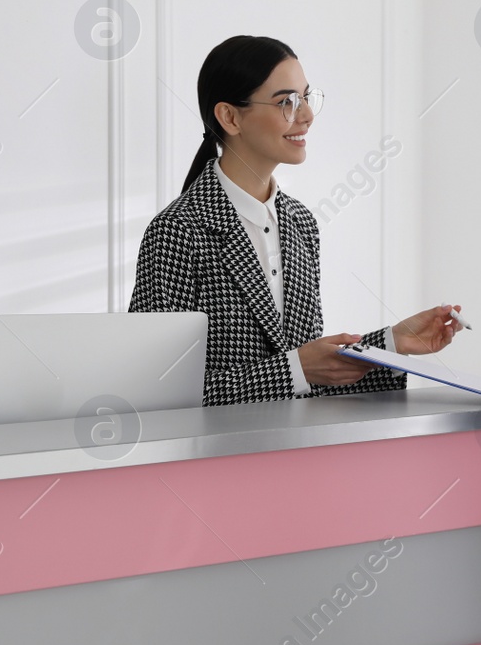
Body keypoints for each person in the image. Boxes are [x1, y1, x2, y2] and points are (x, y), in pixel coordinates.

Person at [129, 35, 460, 407]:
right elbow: (158, 393)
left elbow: (312, 380)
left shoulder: (300, 223)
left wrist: (392, 344)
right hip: (214, 460)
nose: (306, 115)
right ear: (230, 117)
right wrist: (296, 370)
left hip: (295, 454)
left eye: (305, 97)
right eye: (286, 101)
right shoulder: (176, 232)